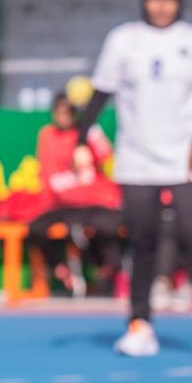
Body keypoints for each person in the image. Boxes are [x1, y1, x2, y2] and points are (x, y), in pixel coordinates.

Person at [79, 0, 192, 359]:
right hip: (137, 157)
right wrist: (80, 140)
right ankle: (140, 324)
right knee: (142, 242)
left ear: (180, 2)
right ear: (144, 1)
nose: (161, 5)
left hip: (189, 158)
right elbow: (100, 94)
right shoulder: (122, 40)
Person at [26, 92, 123, 298]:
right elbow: (47, 175)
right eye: (59, 110)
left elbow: (107, 158)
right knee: (37, 227)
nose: (63, 115)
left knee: (98, 227)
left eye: (68, 110)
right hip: (63, 205)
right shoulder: (47, 135)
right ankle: (62, 271)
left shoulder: (88, 134)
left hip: (93, 202)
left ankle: (107, 270)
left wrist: (90, 131)